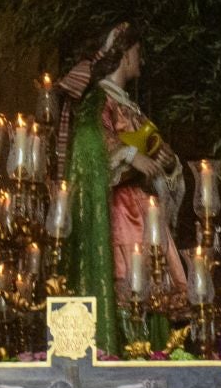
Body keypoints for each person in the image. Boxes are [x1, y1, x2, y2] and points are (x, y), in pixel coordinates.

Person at [60, 21, 188, 352]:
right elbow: (89, 144)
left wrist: (167, 163)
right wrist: (131, 155)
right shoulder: (98, 99)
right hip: (121, 213)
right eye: (136, 53)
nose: (139, 61)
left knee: (152, 288)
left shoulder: (126, 104)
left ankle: (151, 358)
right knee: (131, 289)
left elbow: (157, 149)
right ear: (123, 55)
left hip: (141, 209)